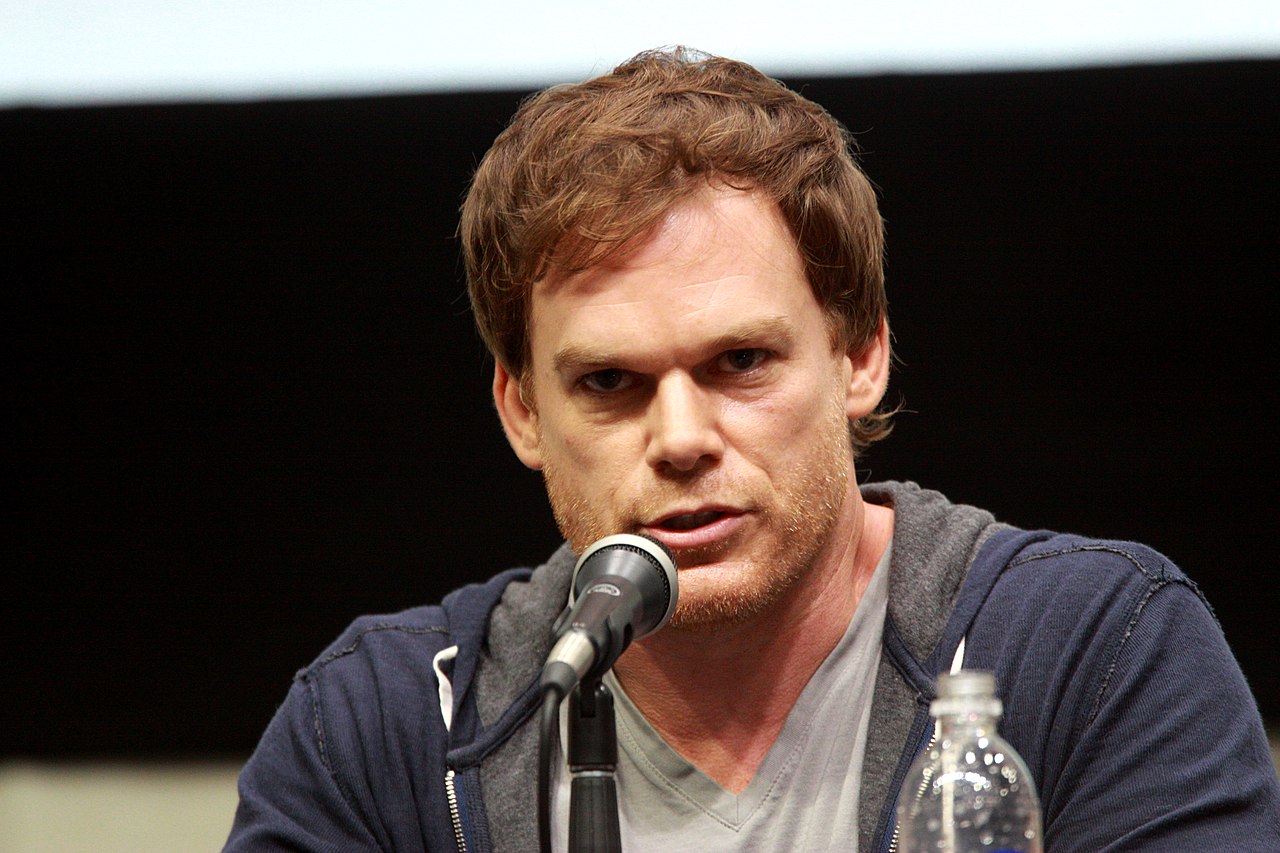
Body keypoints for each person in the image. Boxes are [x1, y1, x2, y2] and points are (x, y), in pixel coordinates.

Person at [225, 48, 1280, 852]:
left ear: (858, 353)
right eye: (608, 383)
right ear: (521, 412)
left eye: (738, 362)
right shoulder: (384, 727)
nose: (680, 438)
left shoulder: (1093, 652)